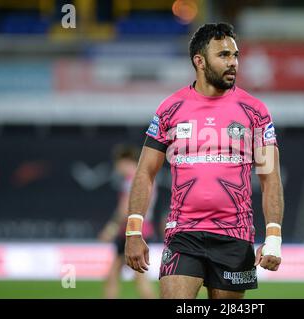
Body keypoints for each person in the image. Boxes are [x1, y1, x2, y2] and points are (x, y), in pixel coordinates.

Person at [124, 23, 284, 299]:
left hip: (236, 236)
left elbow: (270, 177)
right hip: (183, 234)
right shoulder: (170, 109)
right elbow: (144, 173)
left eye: (235, 55)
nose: (233, 63)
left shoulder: (255, 112)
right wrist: (133, 231)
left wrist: (274, 238)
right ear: (199, 61)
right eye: (223, 55)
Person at [99, 144, 157, 299]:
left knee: (127, 276)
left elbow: (125, 208)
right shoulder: (146, 178)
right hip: (144, 229)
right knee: (127, 275)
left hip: (131, 231)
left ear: (125, 161)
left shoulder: (133, 179)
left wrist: (111, 228)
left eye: (118, 163)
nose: (117, 167)